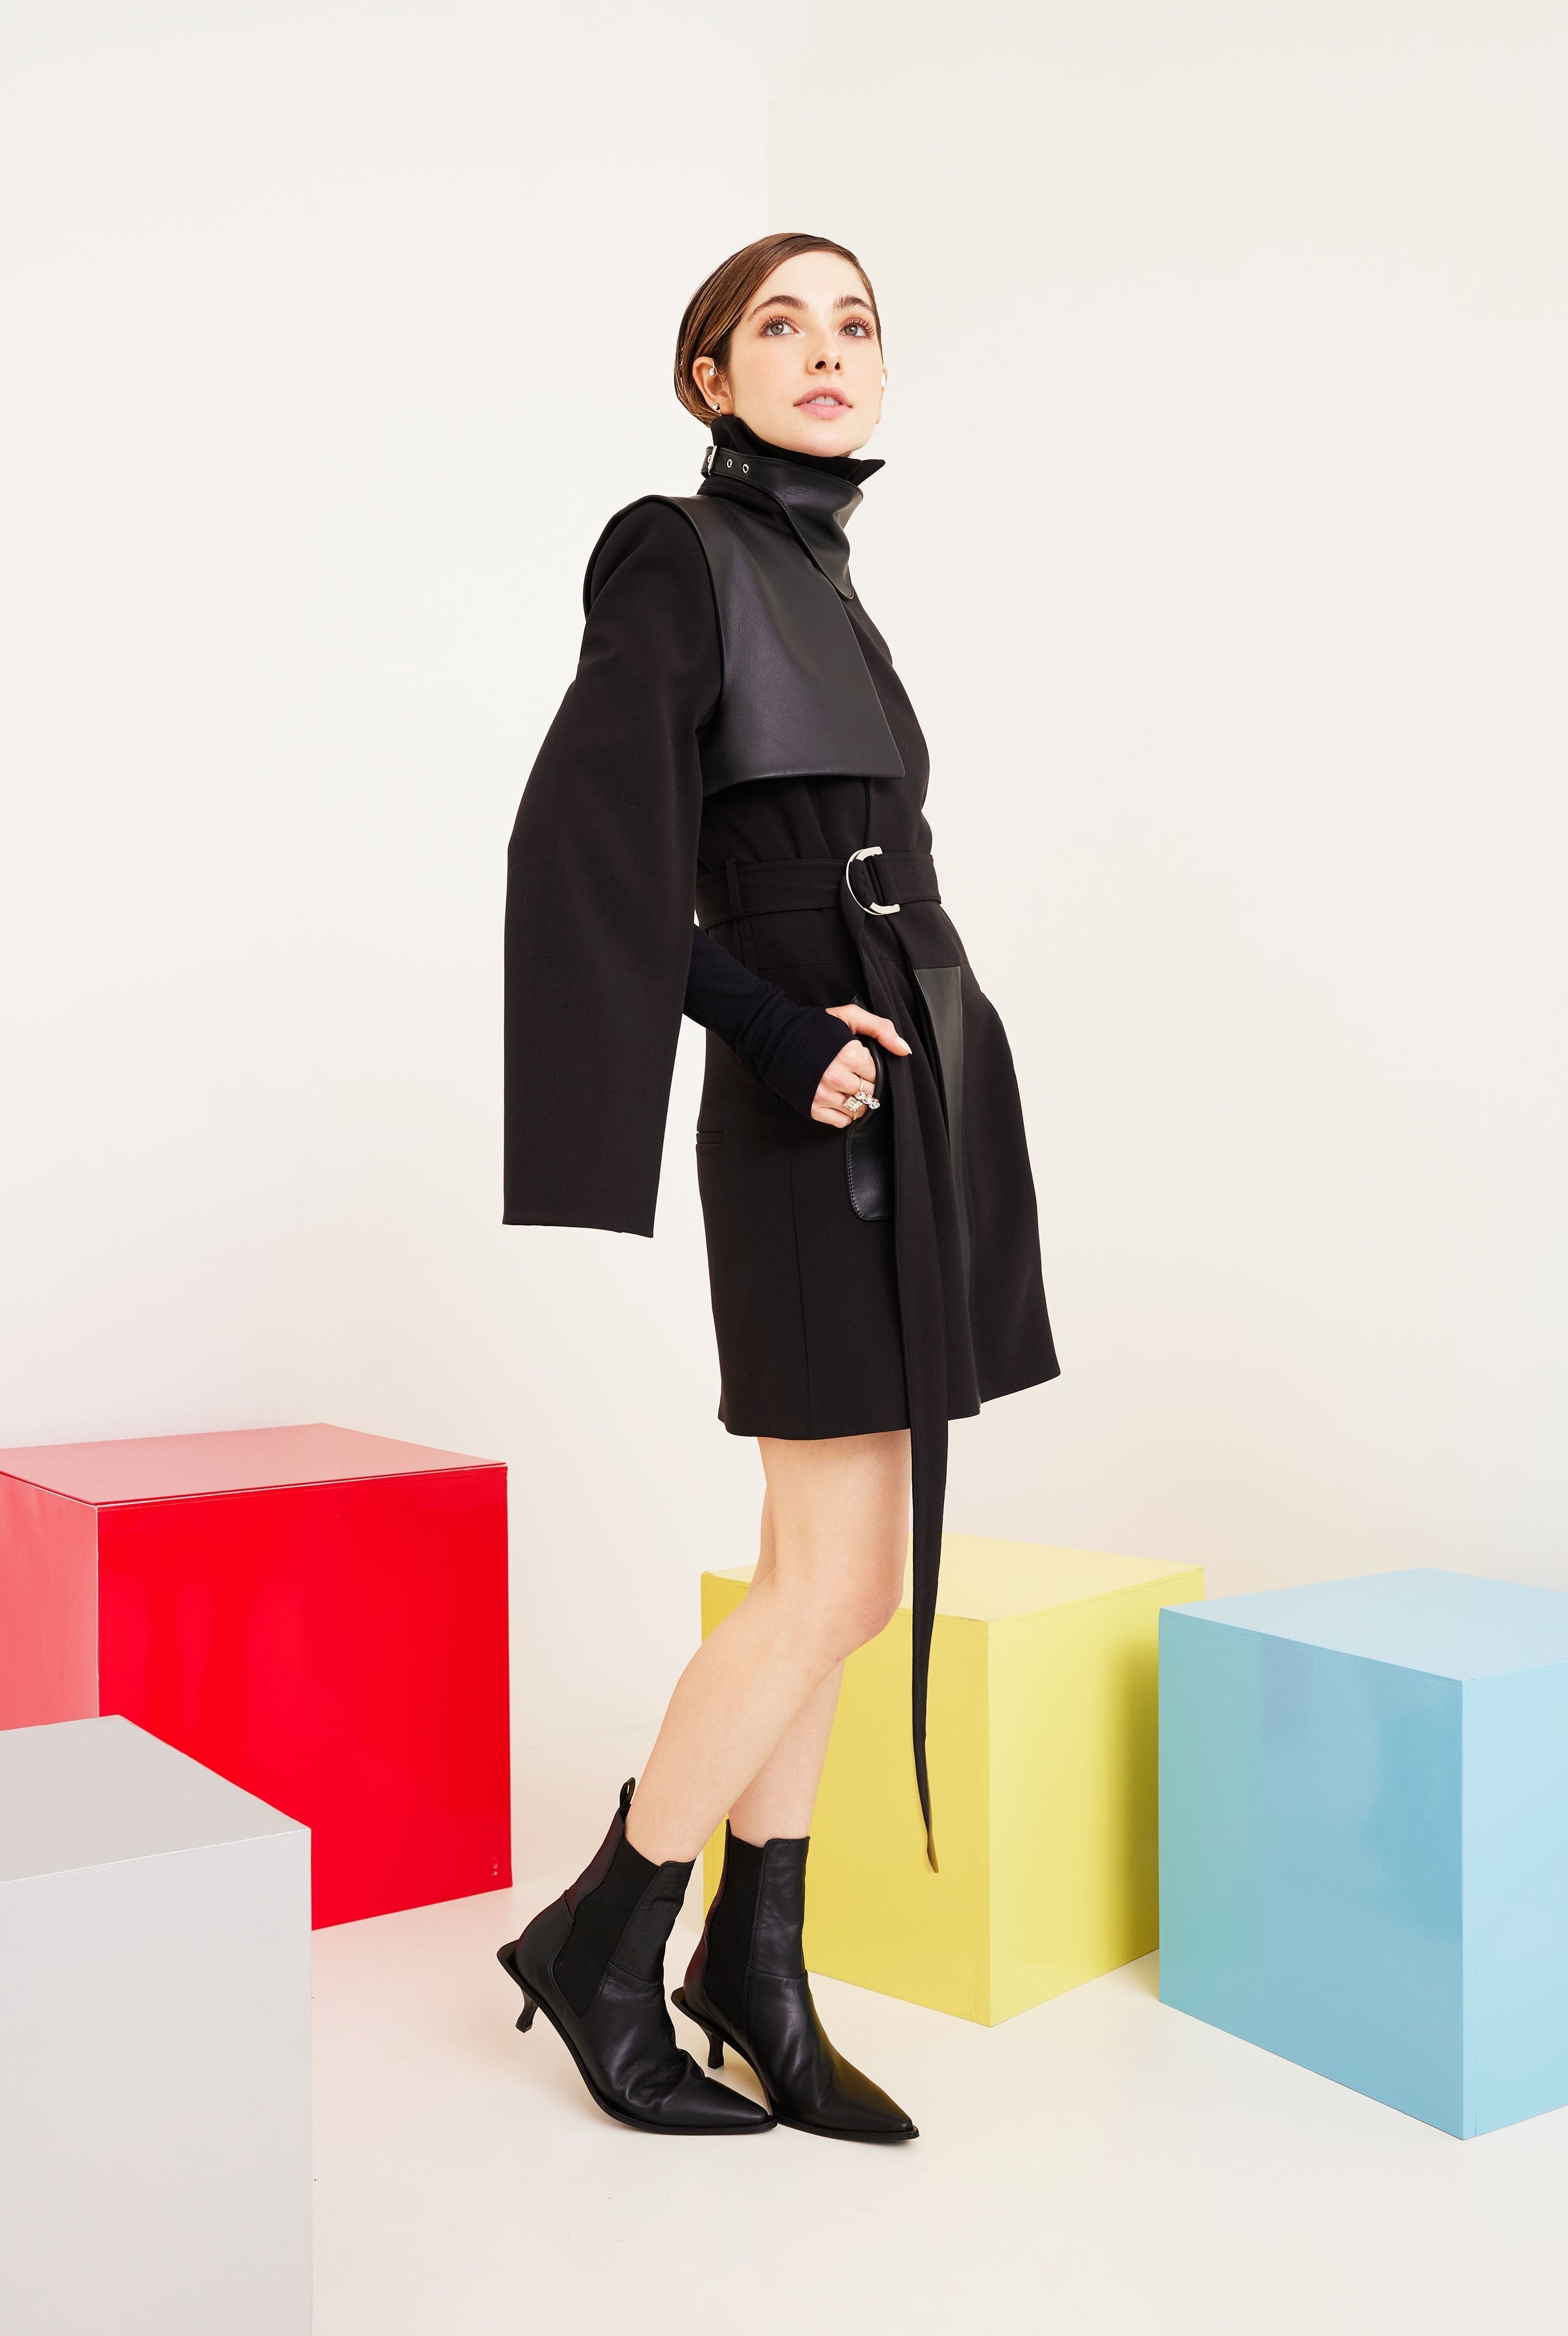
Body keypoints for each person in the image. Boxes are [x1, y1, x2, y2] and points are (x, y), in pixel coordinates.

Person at [499, 232, 1057, 2140]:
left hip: (906, 1089)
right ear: (709, 377)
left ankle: (760, 1964)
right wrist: (765, 1021)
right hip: (812, 1103)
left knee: (833, 1571)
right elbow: (590, 848)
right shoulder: (678, 551)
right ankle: (608, 1934)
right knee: (834, 1576)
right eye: (781, 324)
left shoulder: (822, 574)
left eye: (858, 324)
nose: (828, 350)